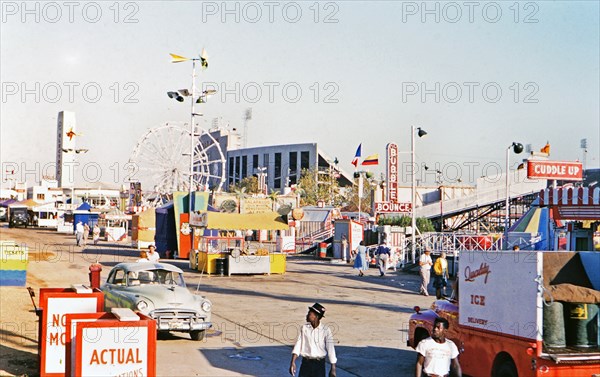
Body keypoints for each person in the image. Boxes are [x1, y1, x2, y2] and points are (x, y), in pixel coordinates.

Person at [290, 303, 337, 377]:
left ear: (316, 317)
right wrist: (292, 362)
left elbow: (331, 349)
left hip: (319, 365)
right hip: (306, 364)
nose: (307, 315)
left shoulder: (326, 330)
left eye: (309, 313)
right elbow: (298, 345)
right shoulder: (304, 328)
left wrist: (333, 368)